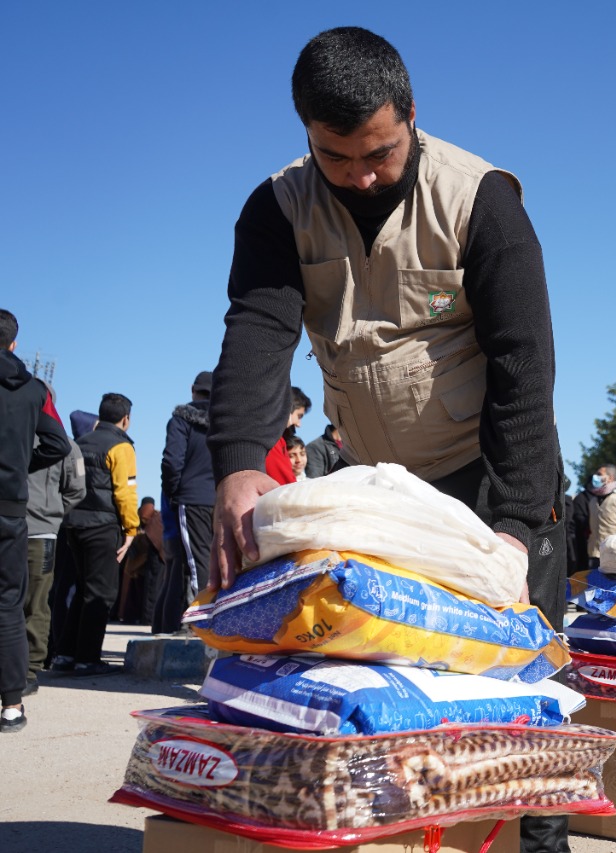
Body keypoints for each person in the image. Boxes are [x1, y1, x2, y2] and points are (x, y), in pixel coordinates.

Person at [205, 29, 565, 851]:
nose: (364, 176)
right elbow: (258, 333)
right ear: (307, 135)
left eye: (382, 153)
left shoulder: (482, 203)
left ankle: (537, 841)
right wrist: (236, 464)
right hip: (383, 493)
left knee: (517, 693)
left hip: (488, 479)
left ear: (410, 116)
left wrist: (512, 527)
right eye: (340, 159)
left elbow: (525, 365)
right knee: (390, 688)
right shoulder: (277, 209)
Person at [1, 310, 72, 732]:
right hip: (10, 508)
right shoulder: (32, 389)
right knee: (9, 604)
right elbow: (58, 442)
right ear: (13, 343)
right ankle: (11, 706)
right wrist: (19, 462)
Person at [55, 393, 138, 676]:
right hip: (103, 525)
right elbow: (125, 493)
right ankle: (87, 659)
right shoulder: (121, 447)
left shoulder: (79, 443)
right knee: (101, 593)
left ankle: (65, 654)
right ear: (126, 420)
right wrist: (131, 529)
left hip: (73, 524)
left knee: (81, 589)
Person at [24, 383, 85, 696]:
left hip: (41, 533)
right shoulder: (13, 434)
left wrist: (51, 513)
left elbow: (77, 488)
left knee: (37, 601)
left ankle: (30, 669)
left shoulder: (67, 446)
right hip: (24, 529)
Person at [154, 372, 217, 634]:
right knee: (211, 560)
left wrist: (172, 491)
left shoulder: (181, 419)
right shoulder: (224, 421)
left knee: (193, 564)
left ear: (193, 390)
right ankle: (209, 620)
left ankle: (198, 625)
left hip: (190, 500)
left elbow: (171, 460)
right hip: (219, 498)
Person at [118, 497, 164, 626]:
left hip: (148, 557)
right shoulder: (152, 517)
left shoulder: (151, 518)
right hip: (139, 561)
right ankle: (142, 617)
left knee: (149, 587)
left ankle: (145, 617)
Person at [586, 465, 616, 568]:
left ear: (611, 478)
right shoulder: (593, 501)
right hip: (595, 555)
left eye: (600, 475)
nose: (595, 477)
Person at [264, 386, 310, 486]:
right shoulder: (272, 440)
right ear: (287, 410)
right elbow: (285, 487)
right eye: (299, 416)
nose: (299, 424)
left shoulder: (274, 438)